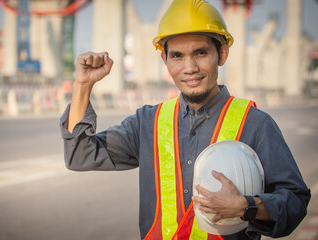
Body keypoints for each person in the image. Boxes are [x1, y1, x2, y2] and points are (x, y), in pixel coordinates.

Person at [59, 0, 311, 239]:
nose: (189, 67)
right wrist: (83, 86)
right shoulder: (147, 122)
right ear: (165, 60)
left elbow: (295, 202)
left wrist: (247, 206)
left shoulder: (255, 124)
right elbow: (79, 155)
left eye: (200, 53)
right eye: (177, 56)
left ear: (221, 54)